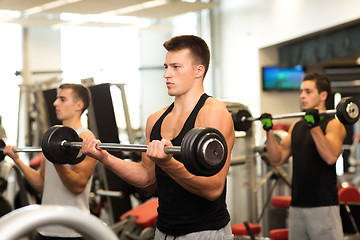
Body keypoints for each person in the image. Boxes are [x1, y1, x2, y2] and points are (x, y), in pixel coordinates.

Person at [81, 35, 235, 239]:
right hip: (163, 230)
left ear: (198, 71)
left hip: (204, 231)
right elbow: (147, 178)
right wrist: (105, 158)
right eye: (166, 66)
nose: (166, 75)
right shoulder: (156, 119)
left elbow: (213, 188)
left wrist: (168, 163)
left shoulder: (213, 113)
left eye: (176, 67)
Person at [4, 83, 97, 240]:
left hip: (72, 230)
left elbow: (78, 185)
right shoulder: (54, 138)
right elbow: (41, 184)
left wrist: (56, 158)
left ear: (78, 105)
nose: (55, 103)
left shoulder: (86, 138)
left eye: (62, 99)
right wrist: (17, 160)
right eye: (56, 99)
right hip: (47, 227)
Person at [260, 73, 346, 240]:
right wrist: (269, 131)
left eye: (308, 91)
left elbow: (330, 157)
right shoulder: (297, 126)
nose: (302, 96)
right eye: (301, 92)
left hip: (323, 206)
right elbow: (276, 159)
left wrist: (314, 127)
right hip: (297, 206)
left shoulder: (333, 124)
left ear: (323, 95)